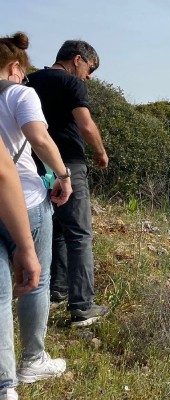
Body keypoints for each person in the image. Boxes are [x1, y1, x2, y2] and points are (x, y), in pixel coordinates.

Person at [1, 31, 72, 399]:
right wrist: (63, 174)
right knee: (36, 280)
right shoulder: (19, 93)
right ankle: (33, 359)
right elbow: (39, 138)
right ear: (15, 67)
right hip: (25, 200)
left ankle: (5, 384)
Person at [27, 39, 109, 327]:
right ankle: (83, 306)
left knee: (56, 230)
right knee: (80, 235)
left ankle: (56, 289)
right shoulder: (72, 84)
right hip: (68, 165)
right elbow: (85, 124)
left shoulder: (28, 80)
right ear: (77, 59)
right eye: (90, 68)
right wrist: (100, 152)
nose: (89, 76)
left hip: (34, 164)